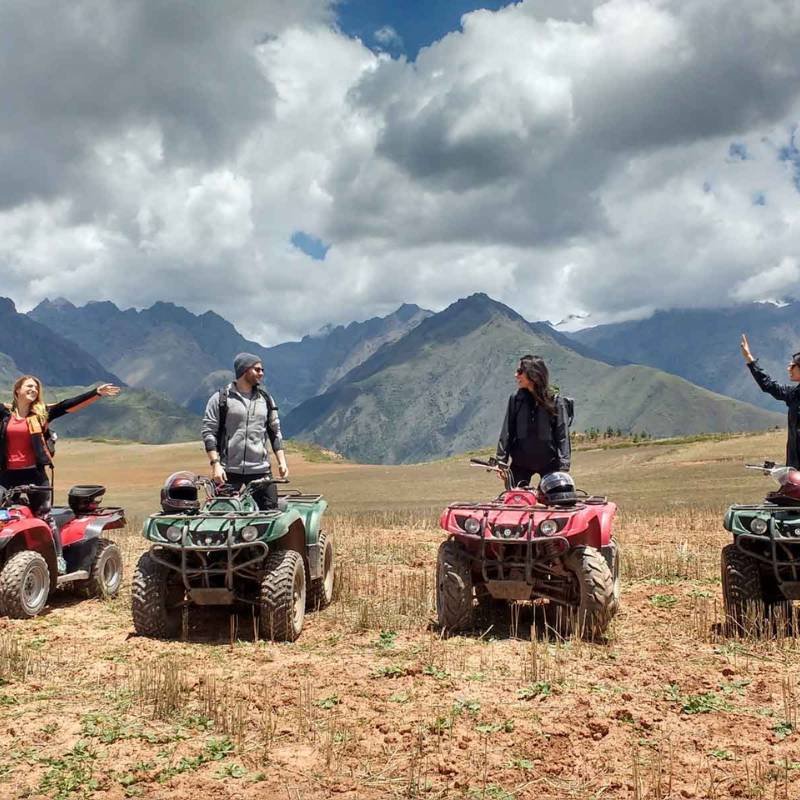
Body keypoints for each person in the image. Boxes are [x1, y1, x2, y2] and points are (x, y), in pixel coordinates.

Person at [0, 376, 121, 571]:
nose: (34, 390)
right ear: (17, 390)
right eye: (29, 386)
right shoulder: (4, 414)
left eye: (36, 388)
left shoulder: (42, 413)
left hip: (34, 474)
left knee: (44, 516)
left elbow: (67, 406)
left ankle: (58, 558)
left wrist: (96, 393)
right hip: (6, 474)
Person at [201, 353, 288, 510]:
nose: (261, 373)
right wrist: (215, 464)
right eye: (257, 369)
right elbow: (209, 432)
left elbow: (275, 432)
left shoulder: (266, 399)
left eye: (262, 370)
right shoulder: (220, 399)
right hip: (228, 471)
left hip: (261, 471)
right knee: (221, 517)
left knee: (269, 517)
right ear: (244, 370)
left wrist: (282, 462)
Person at [495, 354, 571, 488]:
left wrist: (564, 466)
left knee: (555, 504)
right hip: (520, 464)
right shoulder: (516, 399)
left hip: (550, 464)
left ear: (533, 374)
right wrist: (501, 461)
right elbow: (507, 431)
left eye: (520, 371)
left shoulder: (555, 400)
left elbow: (562, 435)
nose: (515, 375)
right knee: (514, 503)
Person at [740, 334, 800, 468]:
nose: (788, 369)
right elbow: (769, 385)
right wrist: (750, 359)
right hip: (794, 470)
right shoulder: (794, 394)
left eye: (793, 366)